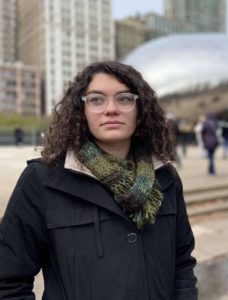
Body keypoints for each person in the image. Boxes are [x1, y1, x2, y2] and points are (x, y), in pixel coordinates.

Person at [0, 62, 198, 299]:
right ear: (81, 111)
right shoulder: (43, 179)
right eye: (96, 99)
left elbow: (182, 265)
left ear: (140, 109)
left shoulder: (166, 178)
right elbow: (8, 282)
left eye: (124, 99)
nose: (111, 109)